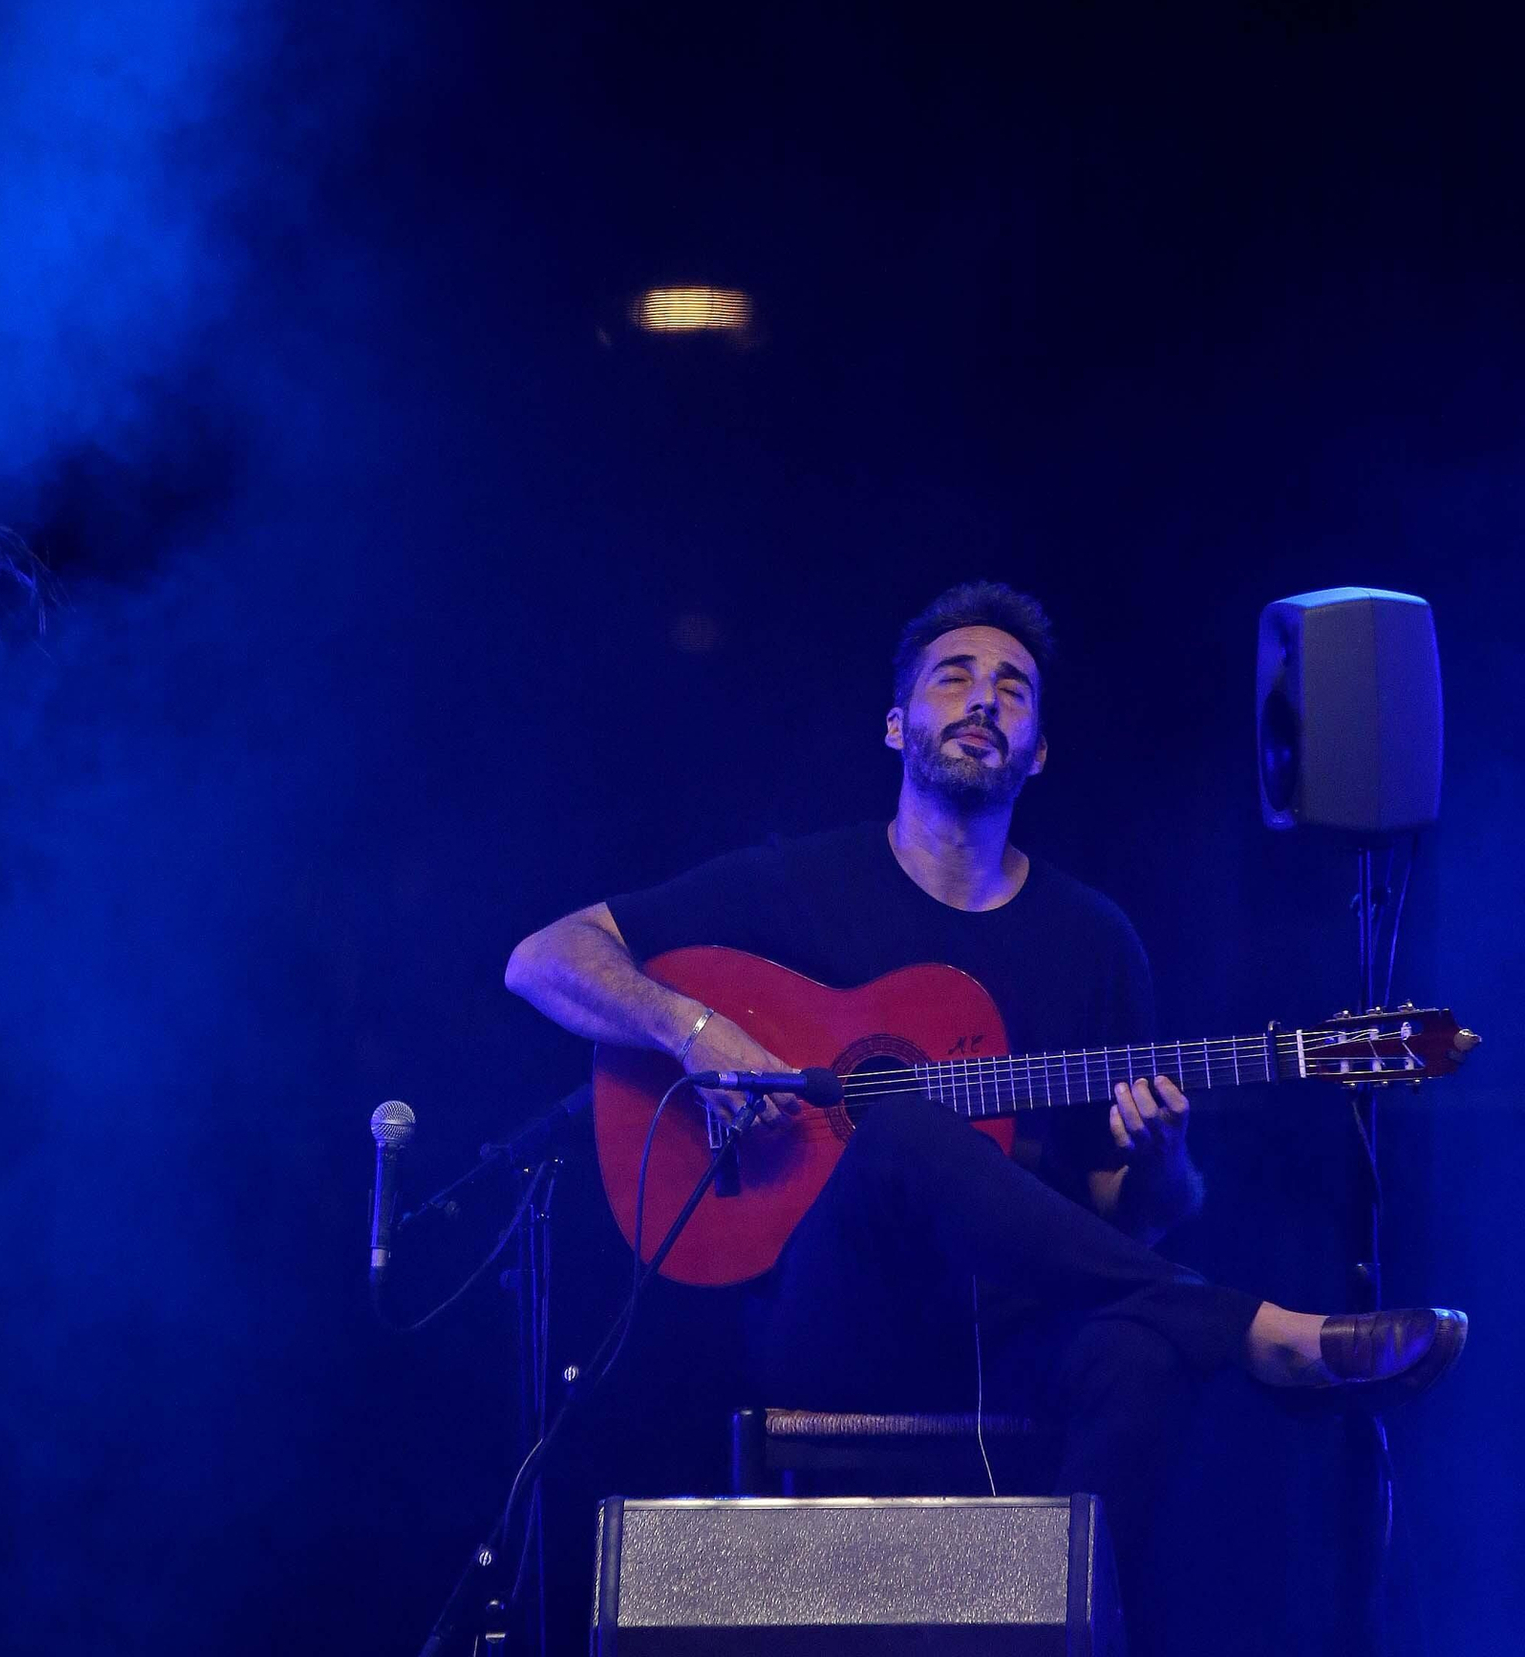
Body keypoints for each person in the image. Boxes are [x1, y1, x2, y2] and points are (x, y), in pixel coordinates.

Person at [504, 581, 1465, 1625]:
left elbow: (1114, 1222)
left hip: (1014, 1332)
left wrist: (1160, 1164)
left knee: (1139, 1354)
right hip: (833, 1315)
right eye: (951, 677)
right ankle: (1253, 1329)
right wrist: (697, 1033)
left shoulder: (1093, 940)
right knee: (904, 1120)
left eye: (1012, 687)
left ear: (1038, 748)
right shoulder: (796, 884)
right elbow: (543, 958)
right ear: (895, 724)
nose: (982, 698)